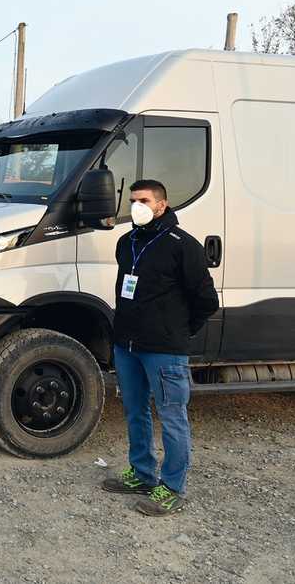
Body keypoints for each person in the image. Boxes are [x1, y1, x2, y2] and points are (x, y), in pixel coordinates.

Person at [101, 179, 219, 516]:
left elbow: (206, 300)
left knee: (172, 418)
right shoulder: (126, 242)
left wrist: (177, 332)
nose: (137, 205)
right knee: (134, 411)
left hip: (164, 350)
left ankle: (172, 487)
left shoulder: (183, 245)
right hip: (127, 346)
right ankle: (141, 473)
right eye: (133, 199)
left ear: (162, 206)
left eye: (144, 200)